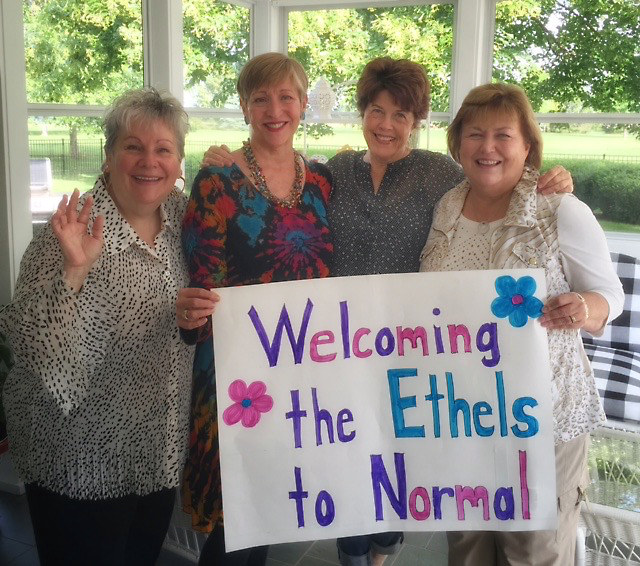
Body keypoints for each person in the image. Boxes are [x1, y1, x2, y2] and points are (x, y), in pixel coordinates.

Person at [202, 57, 574, 566]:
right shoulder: (335, 173)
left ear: (416, 122)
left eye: (401, 115)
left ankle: (386, 544)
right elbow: (285, 202)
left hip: (410, 347)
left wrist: (547, 179)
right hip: (338, 347)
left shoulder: (440, 174)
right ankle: (353, 549)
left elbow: (497, 185)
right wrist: (225, 157)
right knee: (345, 451)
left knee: (398, 451)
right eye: (377, 111)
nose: (386, 125)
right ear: (362, 113)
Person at [419, 82, 624, 566]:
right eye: (474, 135)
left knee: (532, 553)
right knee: (467, 548)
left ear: (527, 145)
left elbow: (609, 296)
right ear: (457, 145)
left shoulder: (560, 209)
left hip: (543, 417)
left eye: (502, 135)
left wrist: (583, 306)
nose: (487, 148)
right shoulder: (446, 206)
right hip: (462, 415)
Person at [0, 88, 194, 565]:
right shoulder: (69, 232)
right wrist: (75, 272)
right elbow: (41, 357)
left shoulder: (185, 217)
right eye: (133, 146)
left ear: (178, 160)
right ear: (108, 157)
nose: (149, 162)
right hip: (79, 458)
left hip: (158, 448)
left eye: (163, 148)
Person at [176, 52, 333, 566]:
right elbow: (205, 288)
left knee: (269, 505)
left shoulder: (326, 182)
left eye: (286, 96)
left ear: (304, 103)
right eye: (260, 98)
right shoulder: (217, 183)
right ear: (244, 107)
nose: (274, 109)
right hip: (237, 376)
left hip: (304, 370)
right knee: (230, 521)